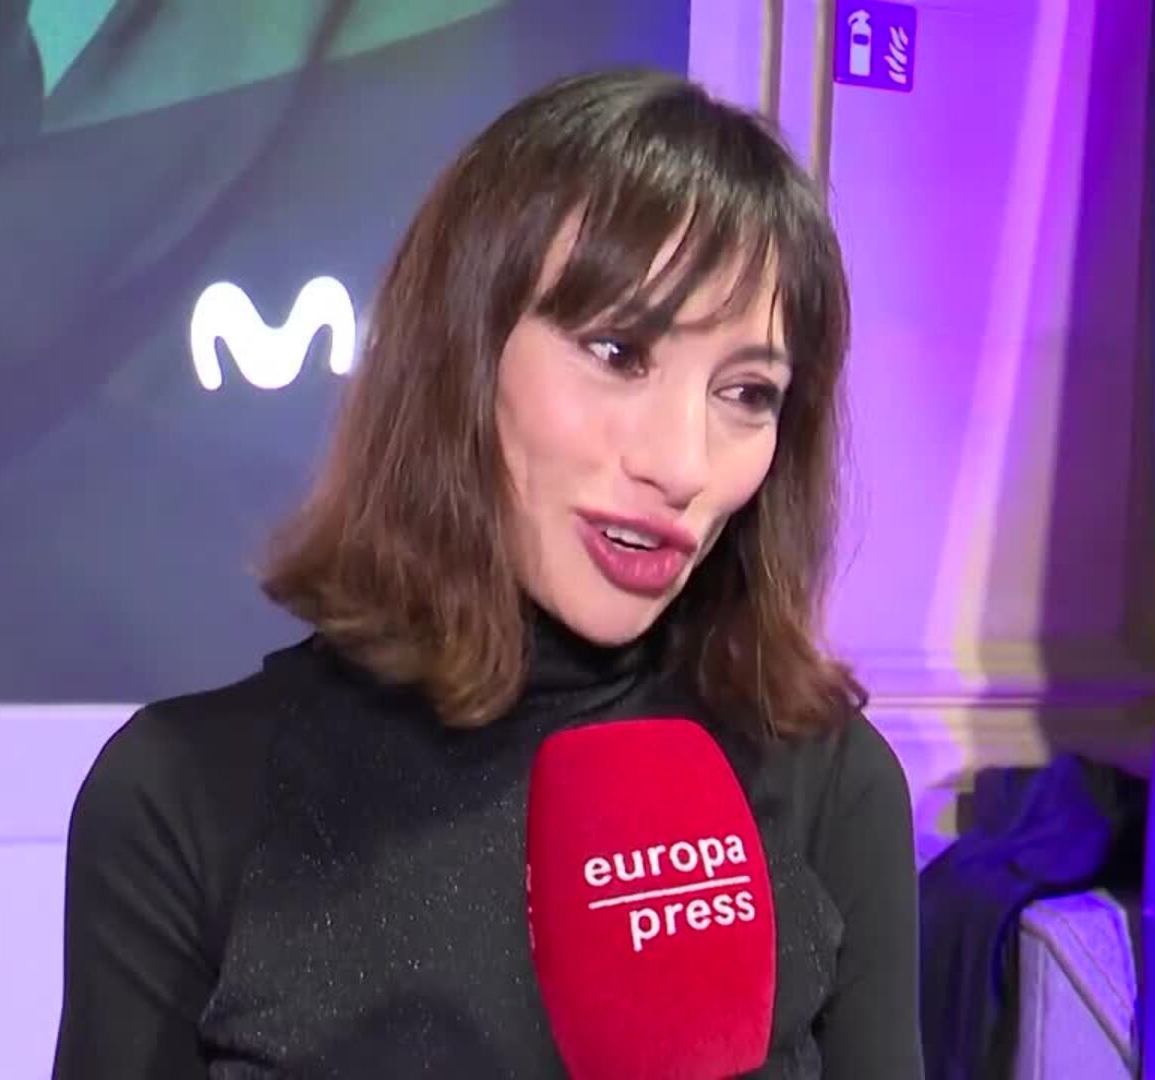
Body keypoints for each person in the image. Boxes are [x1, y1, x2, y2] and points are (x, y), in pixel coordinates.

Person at [51, 68, 923, 1078]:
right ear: (461, 353)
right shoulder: (182, 800)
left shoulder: (830, 786)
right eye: (618, 351)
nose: (683, 464)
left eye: (747, 393)